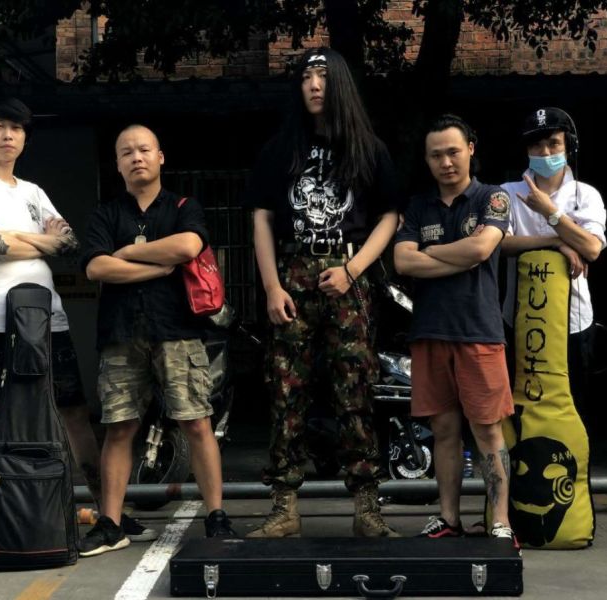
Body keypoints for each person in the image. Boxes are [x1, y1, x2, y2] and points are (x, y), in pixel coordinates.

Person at [0, 99, 157, 568]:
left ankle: (110, 516)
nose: (8, 135)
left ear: (25, 138)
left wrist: (17, 239)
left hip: (49, 317)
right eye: (0, 126)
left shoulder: (34, 191)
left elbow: (69, 244)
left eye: (17, 129)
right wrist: (34, 241)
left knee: (75, 414)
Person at [245, 47, 400, 538]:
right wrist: (271, 286)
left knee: (355, 388)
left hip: (347, 273)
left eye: (323, 76)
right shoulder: (280, 148)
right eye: (307, 77)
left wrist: (353, 270)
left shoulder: (367, 147)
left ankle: (367, 508)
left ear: (340, 84)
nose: (314, 85)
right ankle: (284, 507)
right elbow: (262, 218)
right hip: (292, 274)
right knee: (285, 390)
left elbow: (389, 216)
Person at [78, 124, 234, 557]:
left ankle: (216, 515)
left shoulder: (184, 206)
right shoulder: (106, 213)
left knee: (197, 422)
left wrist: (127, 252)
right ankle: (111, 524)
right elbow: (95, 268)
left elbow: (187, 246)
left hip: (178, 330)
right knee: (119, 427)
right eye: (126, 152)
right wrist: (155, 266)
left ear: (160, 156)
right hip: (121, 333)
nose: (137, 157)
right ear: (117, 164)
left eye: (144, 149)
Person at [394, 114, 516, 542]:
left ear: (470, 149)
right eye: (436, 155)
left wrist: (431, 251)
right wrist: (456, 256)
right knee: (443, 430)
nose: (446, 162)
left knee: (487, 430)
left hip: (479, 331)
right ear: (427, 160)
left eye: (453, 152)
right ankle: (448, 519)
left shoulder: (492, 197)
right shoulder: (418, 206)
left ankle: (500, 521)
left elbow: (482, 249)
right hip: (429, 331)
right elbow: (402, 261)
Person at [500, 107, 607, 416]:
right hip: (519, 320)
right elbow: (500, 244)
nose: (545, 152)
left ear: (568, 146)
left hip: (573, 323)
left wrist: (550, 212)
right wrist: (557, 241)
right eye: (536, 145)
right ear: (526, 150)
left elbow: (591, 248)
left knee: (572, 410)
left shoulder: (586, 195)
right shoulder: (508, 193)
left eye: (553, 143)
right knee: (523, 408)